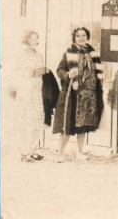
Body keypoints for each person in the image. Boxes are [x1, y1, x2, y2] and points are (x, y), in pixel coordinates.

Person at [53, 27, 104, 162]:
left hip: (89, 95)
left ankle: (80, 152)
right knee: (67, 124)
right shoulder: (69, 52)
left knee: (83, 125)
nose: (81, 38)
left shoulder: (92, 53)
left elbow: (97, 72)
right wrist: (68, 74)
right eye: (78, 36)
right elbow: (59, 70)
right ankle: (61, 153)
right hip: (74, 95)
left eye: (84, 35)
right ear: (74, 38)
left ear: (87, 37)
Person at [13, 30, 49, 162]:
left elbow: (40, 70)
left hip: (38, 91)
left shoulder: (38, 54)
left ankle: (31, 149)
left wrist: (44, 70)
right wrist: (33, 72)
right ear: (26, 40)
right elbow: (19, 71)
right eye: (31, 39)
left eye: (36, 38)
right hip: (26, 91)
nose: (34, 41)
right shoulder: (21, 54)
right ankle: (24, 152)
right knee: (26, 121)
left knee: (38, 121)